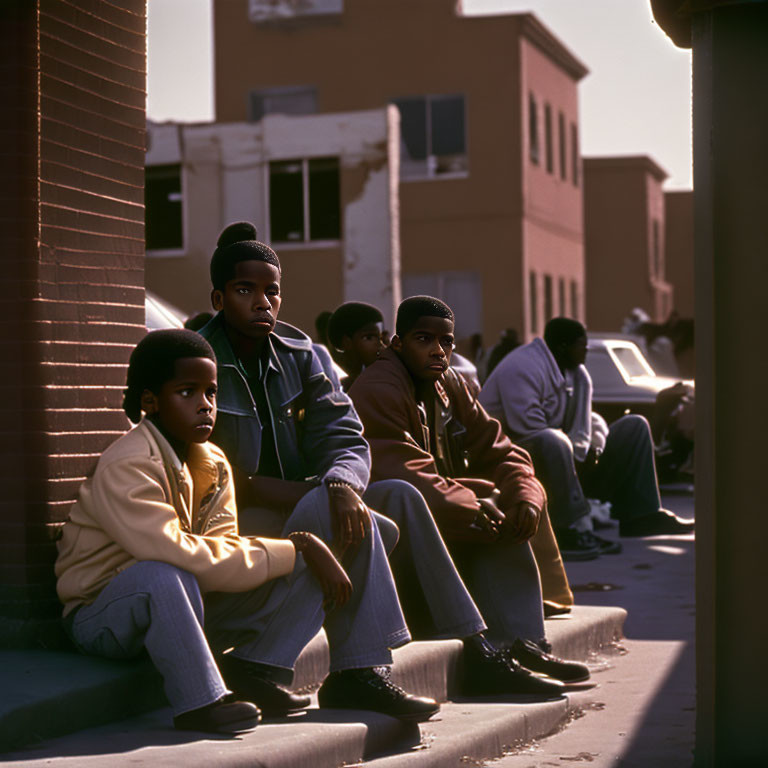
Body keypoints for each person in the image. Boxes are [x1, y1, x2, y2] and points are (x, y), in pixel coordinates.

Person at [199, 224, 575, 695]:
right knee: (371, 508)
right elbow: (212, 473)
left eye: (271, 291)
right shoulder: (198, 358)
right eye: (244, 290)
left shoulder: (301, 355)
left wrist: (339, 484)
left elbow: (347, 438)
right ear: (218, 299)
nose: (262, 302)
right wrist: (321, 491)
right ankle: (360, 671)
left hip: (312, 498)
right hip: (238, 515)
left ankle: (481, 645)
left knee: (398, 497)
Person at [55, 329, 439, 735]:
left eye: (211, 393)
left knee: (308, 562)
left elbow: (223, 549)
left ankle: (257, 668)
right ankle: (200, 703)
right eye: (187, 393)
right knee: (163, 573)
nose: (205, 406)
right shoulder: (128, 463)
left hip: (187, 604)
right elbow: (175, 552)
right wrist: (299, 546)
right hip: (104, 616)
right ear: (150, 402)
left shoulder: (212, 459)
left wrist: (304, 552)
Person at [349, 296, 585, 672]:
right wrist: (475, 505)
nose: (437, 351)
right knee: (478, 501)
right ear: (397, 343)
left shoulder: (450, 382)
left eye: (446, 342)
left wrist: (524, 497)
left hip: (437, 516)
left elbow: (500, 450)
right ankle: (493, 650)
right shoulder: (378, 387)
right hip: (392, 534)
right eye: (423, 339)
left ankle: (523, 644)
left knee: (509, 499)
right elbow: (404, 472)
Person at [479, 317, 694, 559]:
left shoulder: (578, 374)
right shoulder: (521, 367)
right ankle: (567, 529)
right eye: (582, 345)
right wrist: (574, 449)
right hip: (511, 459)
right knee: (553, 439)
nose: (587, 350)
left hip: (560, 456)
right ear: (562, 347)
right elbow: (527, 428)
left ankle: (640, 515)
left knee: (635, 426)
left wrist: (594, 445)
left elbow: (587, 419)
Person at [327, 301, 386, 389]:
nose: (381, 345)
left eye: (382, 338)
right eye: (369, 338)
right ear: (347, 342)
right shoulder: (339, 390)